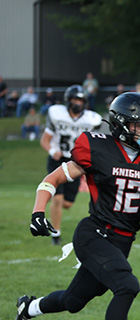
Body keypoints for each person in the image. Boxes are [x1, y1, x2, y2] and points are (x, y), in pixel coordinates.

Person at [10, 93, 140, 320]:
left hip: (124, 240)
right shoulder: (97, 148)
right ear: (122, 124)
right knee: (127, 286)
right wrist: (37, 212)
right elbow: (53, 179)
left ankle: (28, 307)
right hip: (94, 234)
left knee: (74, 301)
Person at [40, 85, 102, 245]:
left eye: (80, 100)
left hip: (76, 163)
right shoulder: (57, 114)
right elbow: (44, 140)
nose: (77, 103)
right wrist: (52, 150)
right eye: (75, 99)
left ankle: (44, 198)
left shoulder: (91, 119)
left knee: (67, 203)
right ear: (68, 100)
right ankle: (56, 235)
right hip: (57, 159)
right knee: (58, 198)